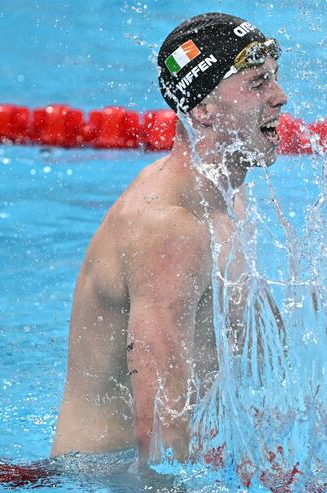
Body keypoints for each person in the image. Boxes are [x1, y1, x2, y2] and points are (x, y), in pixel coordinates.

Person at [51, 12, 287, 464]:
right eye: (257, 84)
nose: (280, 97)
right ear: (202, 109)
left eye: (274, 79)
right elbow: (158, 434)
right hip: (110, 485)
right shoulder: (170, 227)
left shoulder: (226, 197)